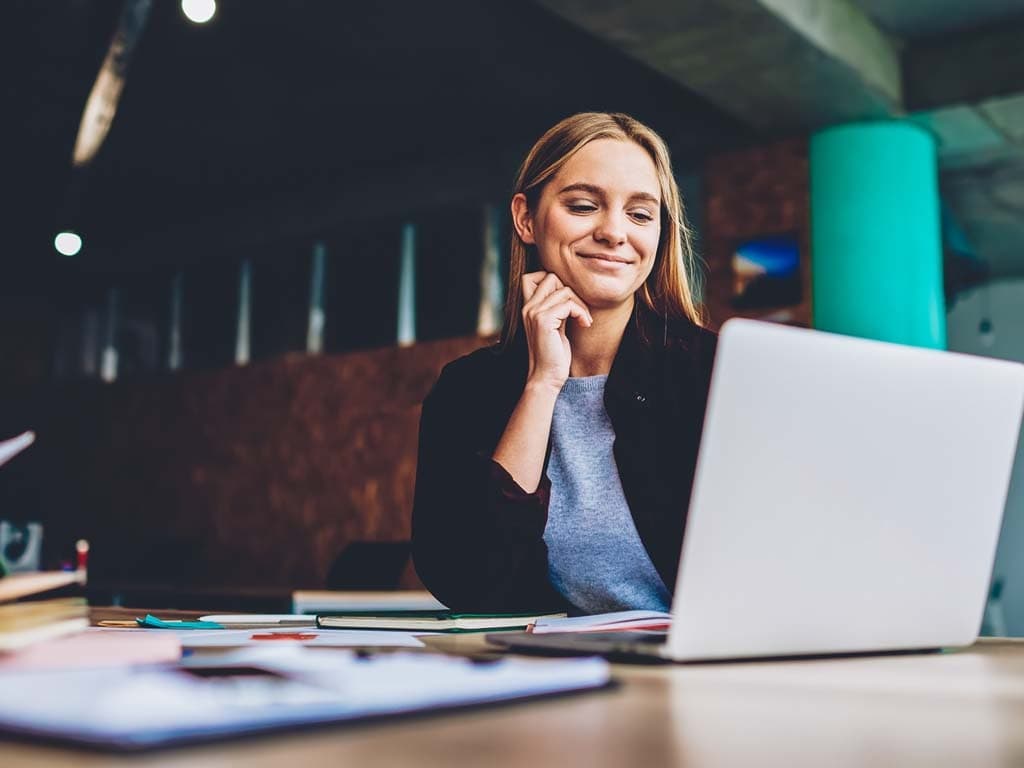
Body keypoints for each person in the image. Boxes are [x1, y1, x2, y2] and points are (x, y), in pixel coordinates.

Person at [411, 112, 717, 614]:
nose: (615, 232)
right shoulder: (469, 389)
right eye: (582, 205)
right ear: (526, 218)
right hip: (558, 675)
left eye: (640, 214)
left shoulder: (713, 373)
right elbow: (468, 579)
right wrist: (542, 383)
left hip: (714, 674)